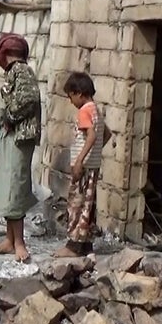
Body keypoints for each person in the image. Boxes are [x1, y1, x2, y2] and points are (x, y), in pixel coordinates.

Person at [0, 33, 41, 263]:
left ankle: (19, 242)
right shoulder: (15, 72)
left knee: (16, 188)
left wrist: (9, 116)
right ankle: (10, 239)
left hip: (19, 136)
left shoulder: (21, 71)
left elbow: (29, 98)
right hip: (11, 137)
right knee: (8, 186)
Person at [54, 72, 112, 258]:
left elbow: (92, 136)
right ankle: (86, 245)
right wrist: (94, 153)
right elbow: (106, 134)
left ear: (78, 93)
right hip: (93, 168)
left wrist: (80, 159)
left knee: (76, 205)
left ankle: (73, 245)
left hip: (84, 169)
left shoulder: (84, 111)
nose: (71, 101)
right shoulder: (96, 110)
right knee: (89, 206)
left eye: (71, 96)